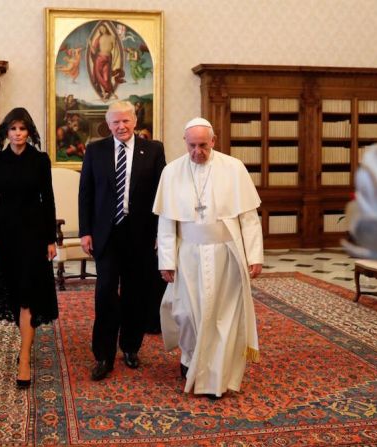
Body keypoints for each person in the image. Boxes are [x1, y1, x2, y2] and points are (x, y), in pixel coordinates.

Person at [153, 117, 263, 399]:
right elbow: (166, 222)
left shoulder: (233, 168)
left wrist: (254, 256)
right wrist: (166, 261)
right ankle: (189, 359)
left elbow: (249, 218)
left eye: (203, 145)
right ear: (185, 142)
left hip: (225, 253)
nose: (197, 152)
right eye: (192, 146)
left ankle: (218, 378)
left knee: (222, 317)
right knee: (187, 313)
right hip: (188, 253)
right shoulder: (172, 171)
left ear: (213, 141)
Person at [79, 100, 166, 381]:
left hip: (139, 233)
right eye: (115, 122)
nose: (121, 126)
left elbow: (160, 195)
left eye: (125, 121)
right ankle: (103, 355)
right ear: (108, 124)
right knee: (105, 291)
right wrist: (85, 231)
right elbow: (86, 194)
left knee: (135, 293)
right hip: (106, 233)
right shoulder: (95, 150)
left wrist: (159, 233)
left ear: (134, 120)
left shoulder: (153, 150)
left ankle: (130, 347)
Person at [0, 107, 58, 389]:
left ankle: (24, 358)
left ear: (29, 132)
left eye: (22, 129)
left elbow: (47, 200)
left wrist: (50, 239)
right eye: (13, 129)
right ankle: (27, 338)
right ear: (7, 132)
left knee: (27, 294)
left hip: (34, 235)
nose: (17, 134)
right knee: (14, 293)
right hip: (4, 236)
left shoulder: (40, 160)